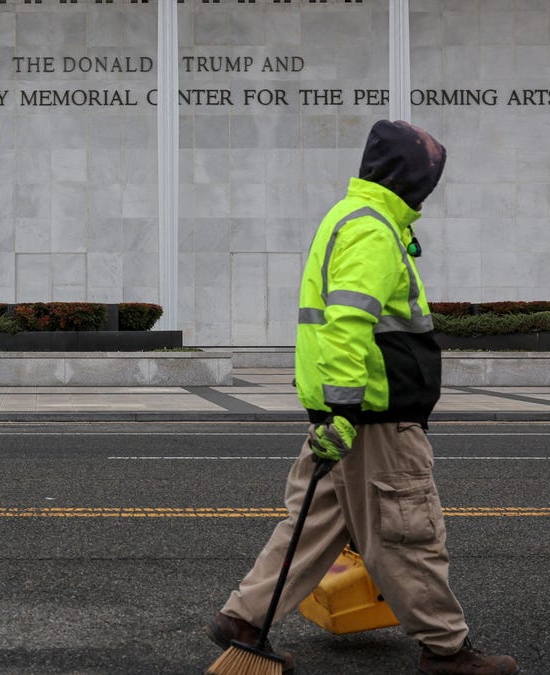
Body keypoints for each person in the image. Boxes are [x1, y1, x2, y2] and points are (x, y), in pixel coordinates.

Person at [206, 120, 518, 675]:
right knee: (407, 529)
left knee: (315, 521)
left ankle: (246, 617)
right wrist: (346, 410)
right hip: (372, 418)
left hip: (348, 415)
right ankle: (446, 649)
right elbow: (349, 324)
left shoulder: (350, 217)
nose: (431, 185)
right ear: (409, 176)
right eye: (428, 175)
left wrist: (334, 412)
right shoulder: (373, 229)